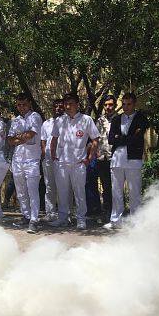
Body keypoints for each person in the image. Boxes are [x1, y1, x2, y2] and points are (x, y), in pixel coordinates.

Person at [50, 93, 100, 230]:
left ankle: (81, 219)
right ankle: (63, 217)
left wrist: (89, 158)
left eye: (71, 104)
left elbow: (95, 140)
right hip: (61, 163)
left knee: (79, 192)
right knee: (62, 192)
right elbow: (54, 139)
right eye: (66, 104)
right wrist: (54, 155)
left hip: (79, 163)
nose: (67, 107)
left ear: (77, 104)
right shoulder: (60, 121)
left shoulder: (86, 120)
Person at [104, 93, 150, 230]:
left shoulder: (141, 118)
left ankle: (136, 222)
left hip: (133, 159)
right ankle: (115, 220)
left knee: (134, 191)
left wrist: (122, 138)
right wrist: (127, 137)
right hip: (117, 158)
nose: (126, 107)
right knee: (116, 191)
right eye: (123, 104)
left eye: (129, 104)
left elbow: (137, 138)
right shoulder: (117, 119)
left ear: (134, 104)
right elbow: (111, 139)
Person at [7, 92, 43, 234]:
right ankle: (26, 215)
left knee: (32, 190)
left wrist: (19, 137)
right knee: (21, 191)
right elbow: (10, 140)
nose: (21, 107)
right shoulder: (15, 120)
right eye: (19, 105)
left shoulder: (35, 117)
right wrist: (21, 138)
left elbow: (30, 135)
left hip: (32, 159)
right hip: (17, 159)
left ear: (29, 104)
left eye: (24, 104)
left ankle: (34, 219)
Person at [92, 95, 117, 219]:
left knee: (116, 186)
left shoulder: (119, 119)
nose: (108, 107)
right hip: (102, 158)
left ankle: (117, 212)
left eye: (111, 104)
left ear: (115, 105)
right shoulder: (100, 120)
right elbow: (96, 139)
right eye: (106, 105)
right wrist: (96, 152)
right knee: (106, 186)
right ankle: (107, 212)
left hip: (116, 157)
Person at [40, 99, 65, 222]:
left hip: (62, 158)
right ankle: (50, 213)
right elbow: (43, 141)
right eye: (55, 106)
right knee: (49, 185)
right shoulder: (46, 123)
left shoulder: (67, 122)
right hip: (49, 158)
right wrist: (45, 153)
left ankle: (65, 214)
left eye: (61, 106)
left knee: (64, 186)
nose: (58, 109)